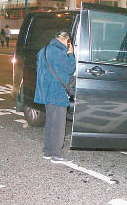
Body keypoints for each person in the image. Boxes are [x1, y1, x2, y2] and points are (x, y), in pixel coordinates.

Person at [34, 30, 76, 163]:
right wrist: (71, 55)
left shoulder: (43, 50)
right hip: (57, 92)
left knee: (50, 123)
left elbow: (40, 70)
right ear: (65, 39)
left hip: (46, 92)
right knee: (58, 125)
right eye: (69, 41)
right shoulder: (59, 52)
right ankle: (57, 154)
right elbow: (70, 69)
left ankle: (47, 151)